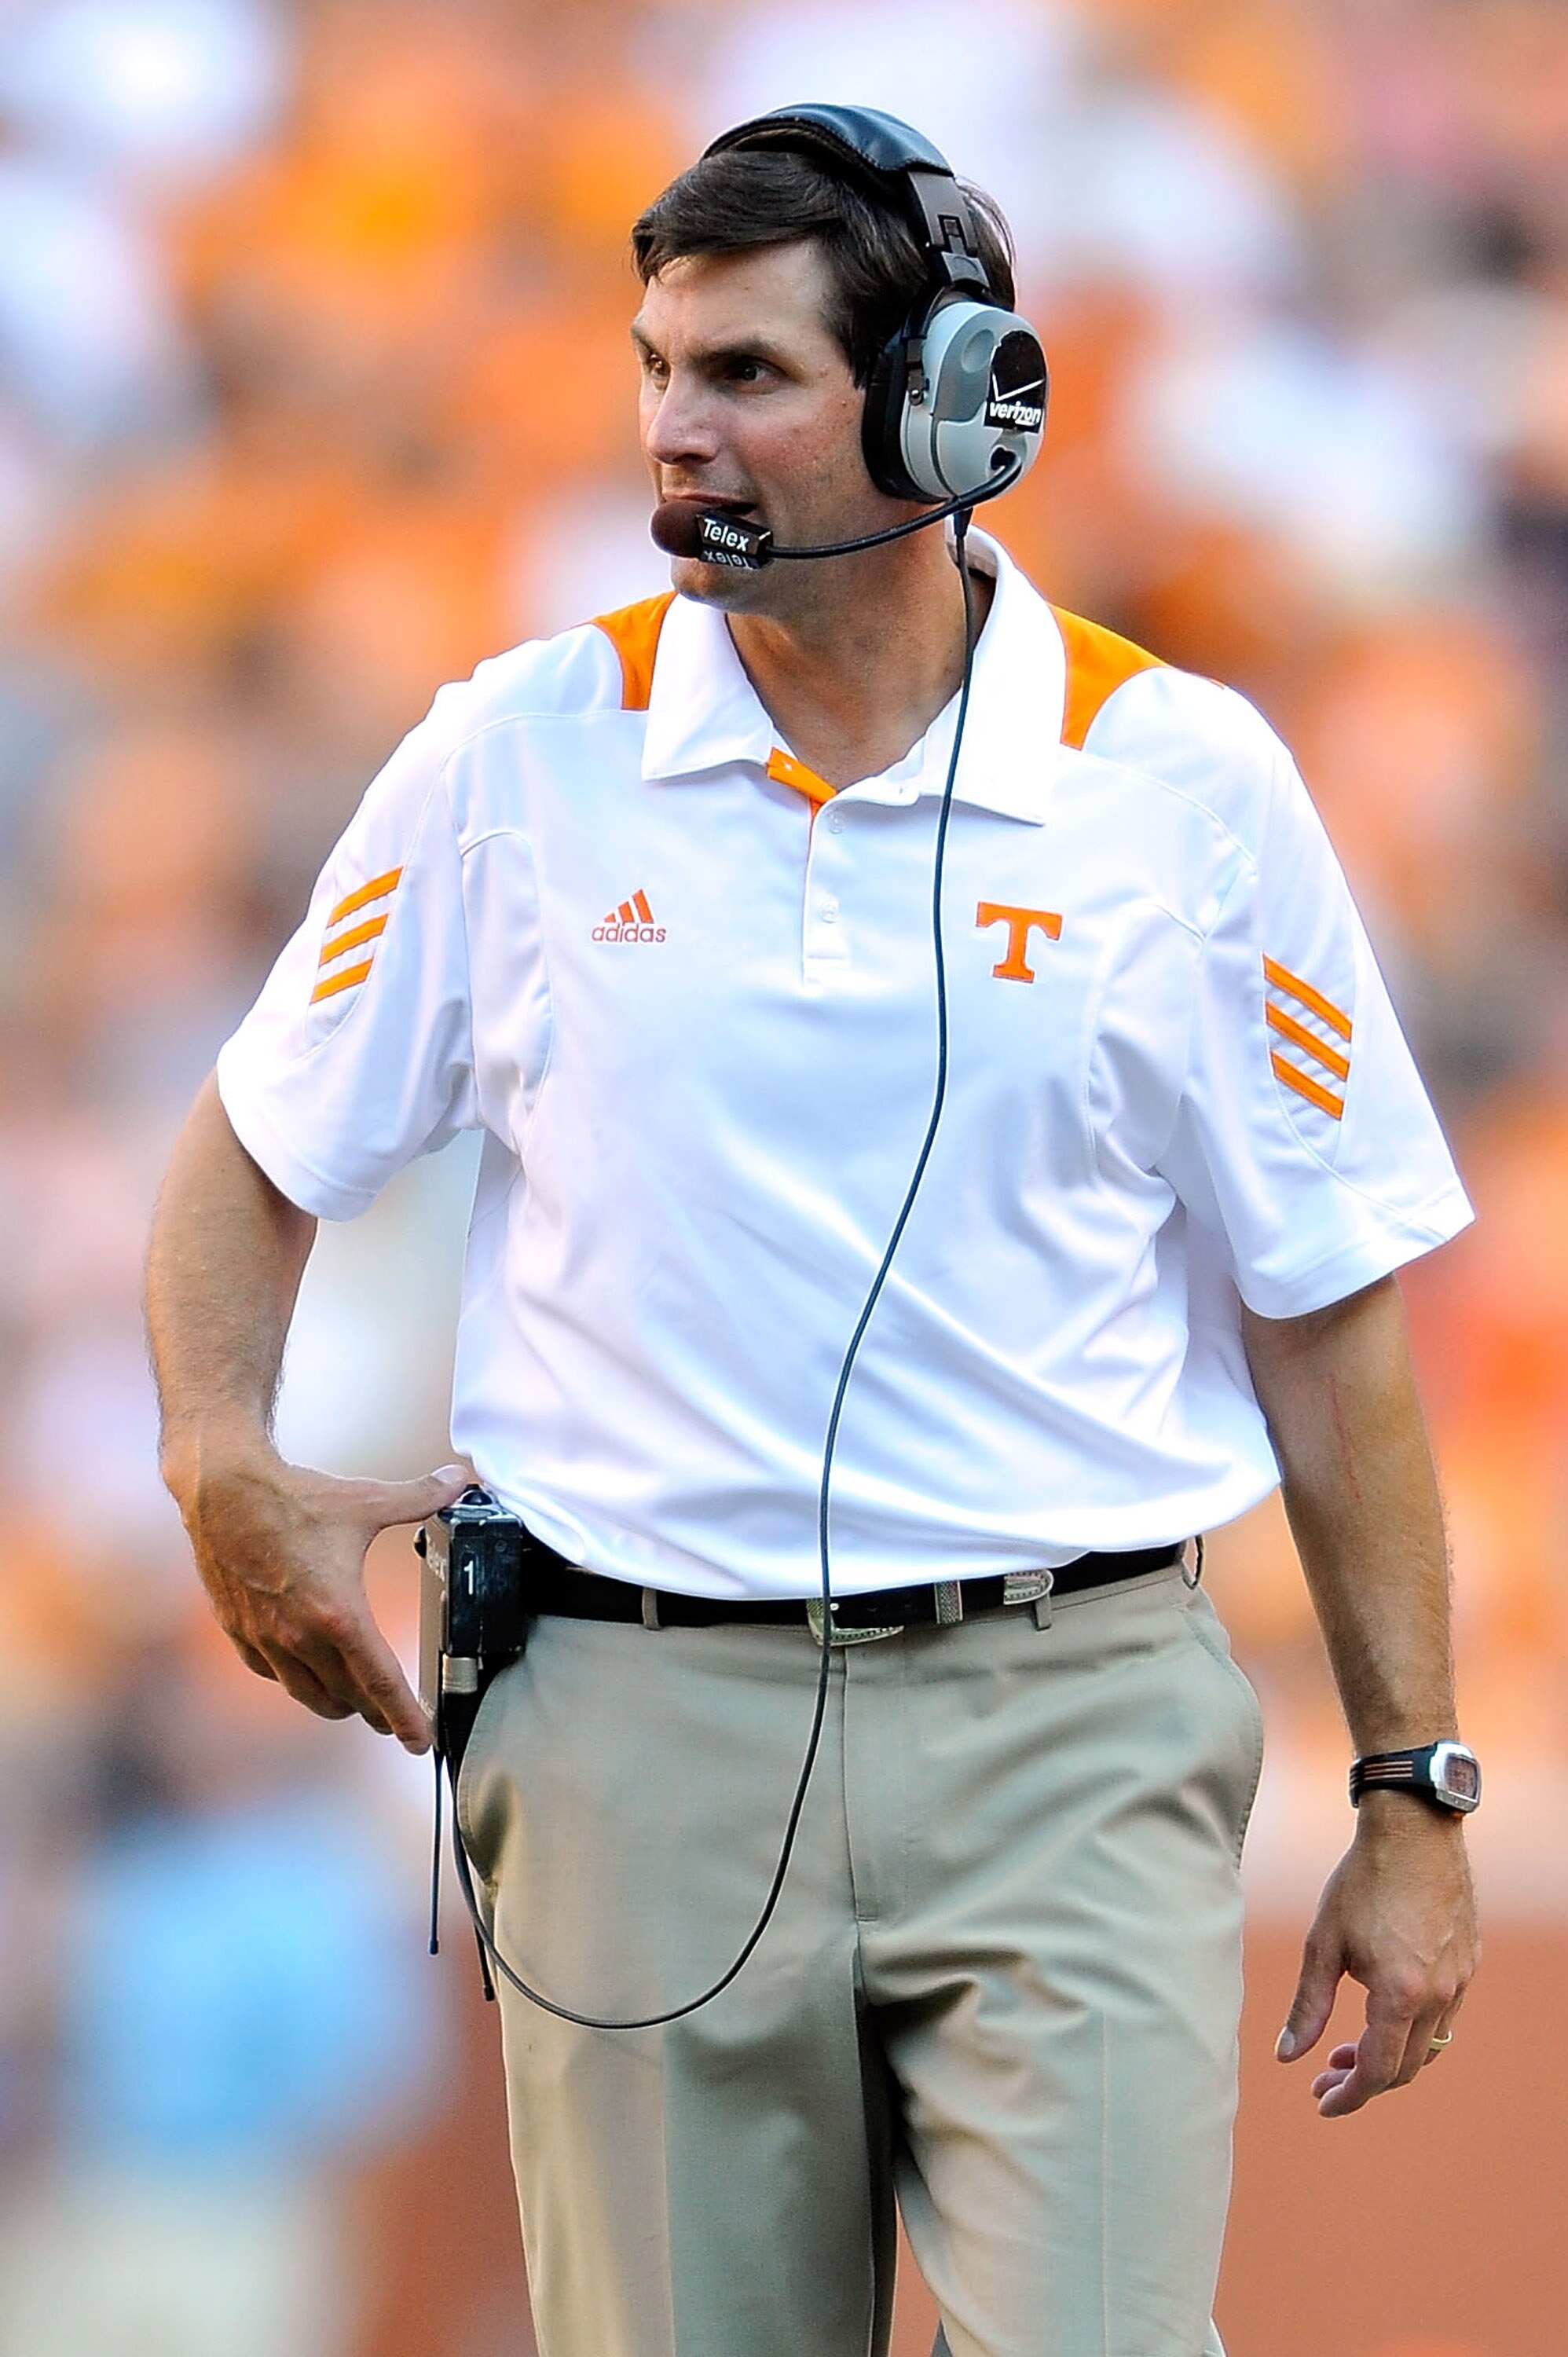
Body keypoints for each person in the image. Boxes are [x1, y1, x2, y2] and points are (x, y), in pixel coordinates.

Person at [145, 106, 1481, 2357]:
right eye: (657, 369)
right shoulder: (516, 752)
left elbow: (1327, 1319)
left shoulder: (1186, 780)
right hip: (634, 1719)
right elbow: (255, 1142)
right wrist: (214, 1453)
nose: (676, 432)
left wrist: (1409, 1787)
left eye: (747, 374)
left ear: (956, 401)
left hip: (1064, 1716)